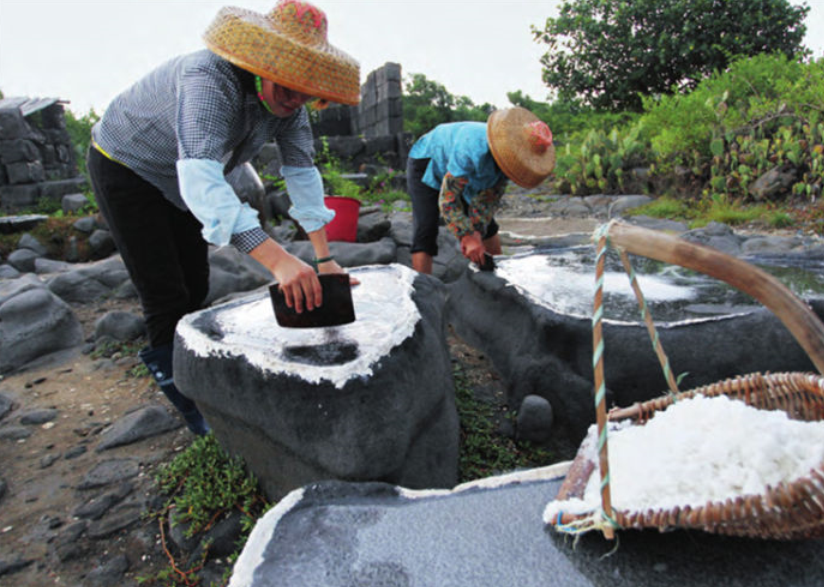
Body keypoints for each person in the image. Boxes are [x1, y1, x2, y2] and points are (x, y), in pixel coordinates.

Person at [87, 1, 359, 435]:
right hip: (128, 165)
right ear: (263, 63)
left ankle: (197, 374)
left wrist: (323, 259)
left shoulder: (291, 108)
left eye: (305, 88)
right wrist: (277, 260)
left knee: (196, 284)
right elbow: (202, 177)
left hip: (185, 181)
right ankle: (192, 407)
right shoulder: (209, 78)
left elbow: (303, 175)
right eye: (286, 85)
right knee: (166, 293)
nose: (295, 97)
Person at [406, 107, 556, 274]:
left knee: (488, 227)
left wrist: (476, 232)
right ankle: (424, 290)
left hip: (464, 169)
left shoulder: (510, 162)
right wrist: (467, 236)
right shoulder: (471, 146)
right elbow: (448, 199)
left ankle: (500, 276)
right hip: (428, 158)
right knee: (426, 227)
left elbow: (488, 201)